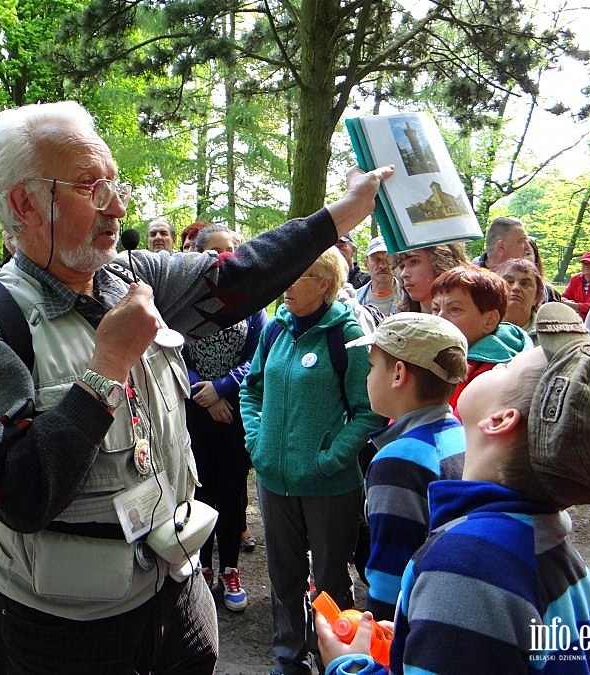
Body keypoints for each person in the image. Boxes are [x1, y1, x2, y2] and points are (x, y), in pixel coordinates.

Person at [0, 100, 395, 673]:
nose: (117, 207)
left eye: (114, 185)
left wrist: (341, 214)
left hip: (179, 598)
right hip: (67, 634)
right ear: (25, 203)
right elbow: (19, 494)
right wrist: (106, 368)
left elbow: (235, 278)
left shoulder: (133, 276)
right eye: (92, 187)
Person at [317, 302, 590, 674]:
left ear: (499, 420)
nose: (497, 364)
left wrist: (349, 666)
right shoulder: (548, 543)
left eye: (507, 366)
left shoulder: (466, 567)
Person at [240, 247, 384, 675]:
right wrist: (256, 441)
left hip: (329, 485)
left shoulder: (348, 334)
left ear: (324, 284)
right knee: (284, 578)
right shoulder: (275, 331)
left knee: (331, 580)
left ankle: (337, 660)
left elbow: (369, 411)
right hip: (273, 480)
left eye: (296, 275)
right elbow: (252, 389)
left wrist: (330, 458)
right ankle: (289, 659)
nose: (284, 285)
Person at [347, 313, 467, 621]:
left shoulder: (398, 461)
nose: (368, 376)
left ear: (398, 374)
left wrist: (378, 639)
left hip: (413, 621)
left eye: (373, 367)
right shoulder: (458, 434)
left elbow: (391, 571)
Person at [183, 223, 267, 612]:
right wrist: (204, 390)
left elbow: (256, 358)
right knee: (198, 491)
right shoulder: (183, 300)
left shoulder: (252, 302)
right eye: (215, 249)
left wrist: (223, 388)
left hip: (234, 413)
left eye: (231, 248)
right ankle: (199, 568)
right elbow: (171, 353)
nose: (224, 256)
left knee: (233, 493)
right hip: (194, 412)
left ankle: (229, 568)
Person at [430, 265, 532, 414]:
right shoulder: (429, 352)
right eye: (435, 308)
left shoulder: (496, 376)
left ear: (489, 320)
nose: (439, 318)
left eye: (454, 309)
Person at [390, 243, 468, 313]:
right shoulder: (401, 323)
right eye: (402, 266)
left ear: (441, 262)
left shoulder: (472, 312)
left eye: (414, 262)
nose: (403, 274)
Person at [494, 257, 544, 339]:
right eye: (509, 282)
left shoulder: (548, 334)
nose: (515, 288)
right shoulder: (481, 329)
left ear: (537, 296)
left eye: (525, 284)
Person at [355, 236, 398, 316]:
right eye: (377, 260)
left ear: (396, 263)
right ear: (366, 263)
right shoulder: (354, 300)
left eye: (388, 259)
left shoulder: (411, 297)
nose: (383, 265)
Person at [524, 236, 562, 304]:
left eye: (527, 253)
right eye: (519, 252)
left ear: (535, 257)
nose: (523, 258)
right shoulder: (503, 290)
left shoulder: (551, 294)